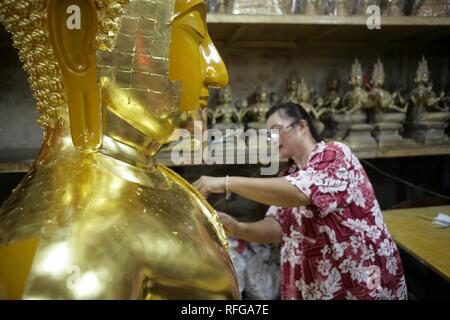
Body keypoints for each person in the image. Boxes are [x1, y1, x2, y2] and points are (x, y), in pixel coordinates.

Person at [193, 102, 407, 300]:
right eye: (268, 136)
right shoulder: (291, 176)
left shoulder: (335, 155)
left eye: (276, 131)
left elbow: (302, 193)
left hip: (358, 282)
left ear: (302, 126)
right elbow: (276, 228)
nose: (272, 140)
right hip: (314, 287)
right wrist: (236, 227)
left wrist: (225, 182)